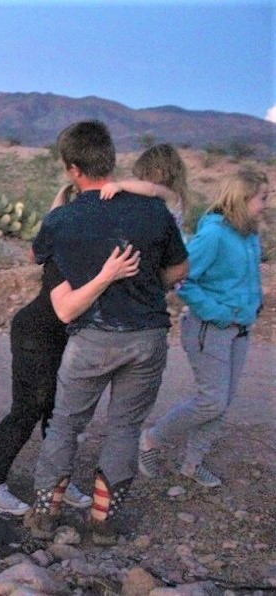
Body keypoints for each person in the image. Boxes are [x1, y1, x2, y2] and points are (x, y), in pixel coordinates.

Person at [25, 120, 189, 546]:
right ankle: (103, 522)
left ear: (72, 168)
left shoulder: (64, 219)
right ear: (110, 159)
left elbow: (36, 255)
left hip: (92, 339)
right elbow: (179, 268)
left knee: (65, 426)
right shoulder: (153, 211)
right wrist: (152, 285)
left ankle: (45, 515)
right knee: (124, 429)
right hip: (147, 336)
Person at [0, 184, 142, 516]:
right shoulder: (62, 253)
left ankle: (56, 485)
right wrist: (108, 276)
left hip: (62, 337)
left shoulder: (91, 247)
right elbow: (67, 308)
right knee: (28, 410)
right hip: (35, 335)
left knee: (59, 414)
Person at [138, 169, 268, 488]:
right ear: (243, 198)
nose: (266, 204)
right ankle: (151, 439)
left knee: (221, 403)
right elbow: (181, 277)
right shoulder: (214, 234)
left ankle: (192, 464)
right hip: (210, 328)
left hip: (240, 328)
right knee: (212, 401)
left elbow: (243, 277)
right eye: (262, 198)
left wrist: (253, 304)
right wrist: (219, 312)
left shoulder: (249, 232)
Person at [100, 143, 189, 231]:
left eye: (143, 177)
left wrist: (119, 185)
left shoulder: (171, 196)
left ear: (158, 172)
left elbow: (151, 189)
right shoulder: (159, 200)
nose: (141, 182)